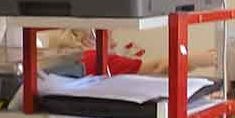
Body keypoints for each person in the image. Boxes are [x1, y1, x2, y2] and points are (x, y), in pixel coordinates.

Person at [48, 29, 216, 75]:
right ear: (89, 39)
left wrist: (194, 63)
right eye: (110, 36)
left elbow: (165, 70)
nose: (115, 43)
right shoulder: (98, 60)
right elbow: (158, 67)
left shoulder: (63, 59)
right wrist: (203, 59)